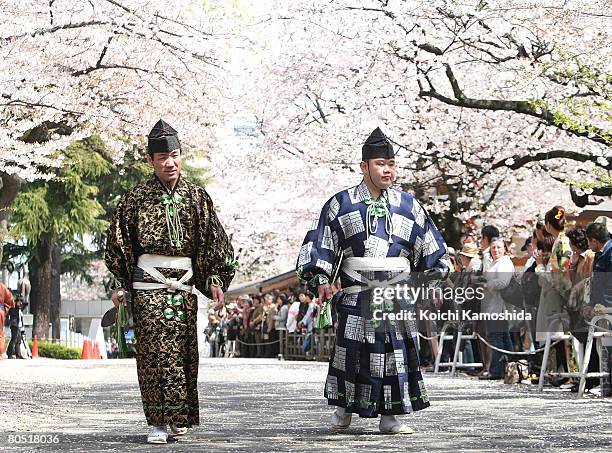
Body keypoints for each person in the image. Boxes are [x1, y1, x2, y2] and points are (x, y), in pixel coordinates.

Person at [296, 127, 450, 434]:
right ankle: (343, 406)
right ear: (364, 166)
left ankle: (390, 417)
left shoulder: (409, 205)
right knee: (352, 354)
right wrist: (321, 277)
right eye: (380, 163)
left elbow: (432, 248)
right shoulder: (341, 203)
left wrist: (433, 279)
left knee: (395, 355)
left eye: (391, 162)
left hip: (397, 296)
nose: (388, 169)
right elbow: (320, 242)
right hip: (356, 294)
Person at [104, 119, 236, 444]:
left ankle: (178, 416)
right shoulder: (133, 200)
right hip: (149, 286)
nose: (169, 162)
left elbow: (213, 243)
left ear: (181, 155)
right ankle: (157, 421)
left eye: (174, 155)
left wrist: (216, 278)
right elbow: (119, 244)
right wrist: (121, 283)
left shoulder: (197, 198)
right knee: (153, 354)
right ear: (150, 161)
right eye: (162, 156)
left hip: (184, 287)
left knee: (183, 351)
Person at [479, 238, 515, 380]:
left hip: (499, 307)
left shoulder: (505, 262)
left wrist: (487, 285)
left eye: (499, 247)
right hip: (492, 306)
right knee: (504, 338)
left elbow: (503, 282)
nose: (496, 250)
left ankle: (495, 370)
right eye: (493, 247)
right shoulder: (493, 263)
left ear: (505, 249)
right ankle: (511, 368)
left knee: (495, 338)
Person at [585, 220, 612, 396]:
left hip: (607, 307)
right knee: (602, 346)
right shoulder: (601, 253)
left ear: (594, 240)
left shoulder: (610, 253)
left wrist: (607, 304)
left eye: (589, 241)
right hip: (599, 307)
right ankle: (605, 385)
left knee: (608, 346)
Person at [0, 282, 15, 359]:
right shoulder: (1, 286)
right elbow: (10, 299)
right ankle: (1, 352)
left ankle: (1, 352)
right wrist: (5, 309)